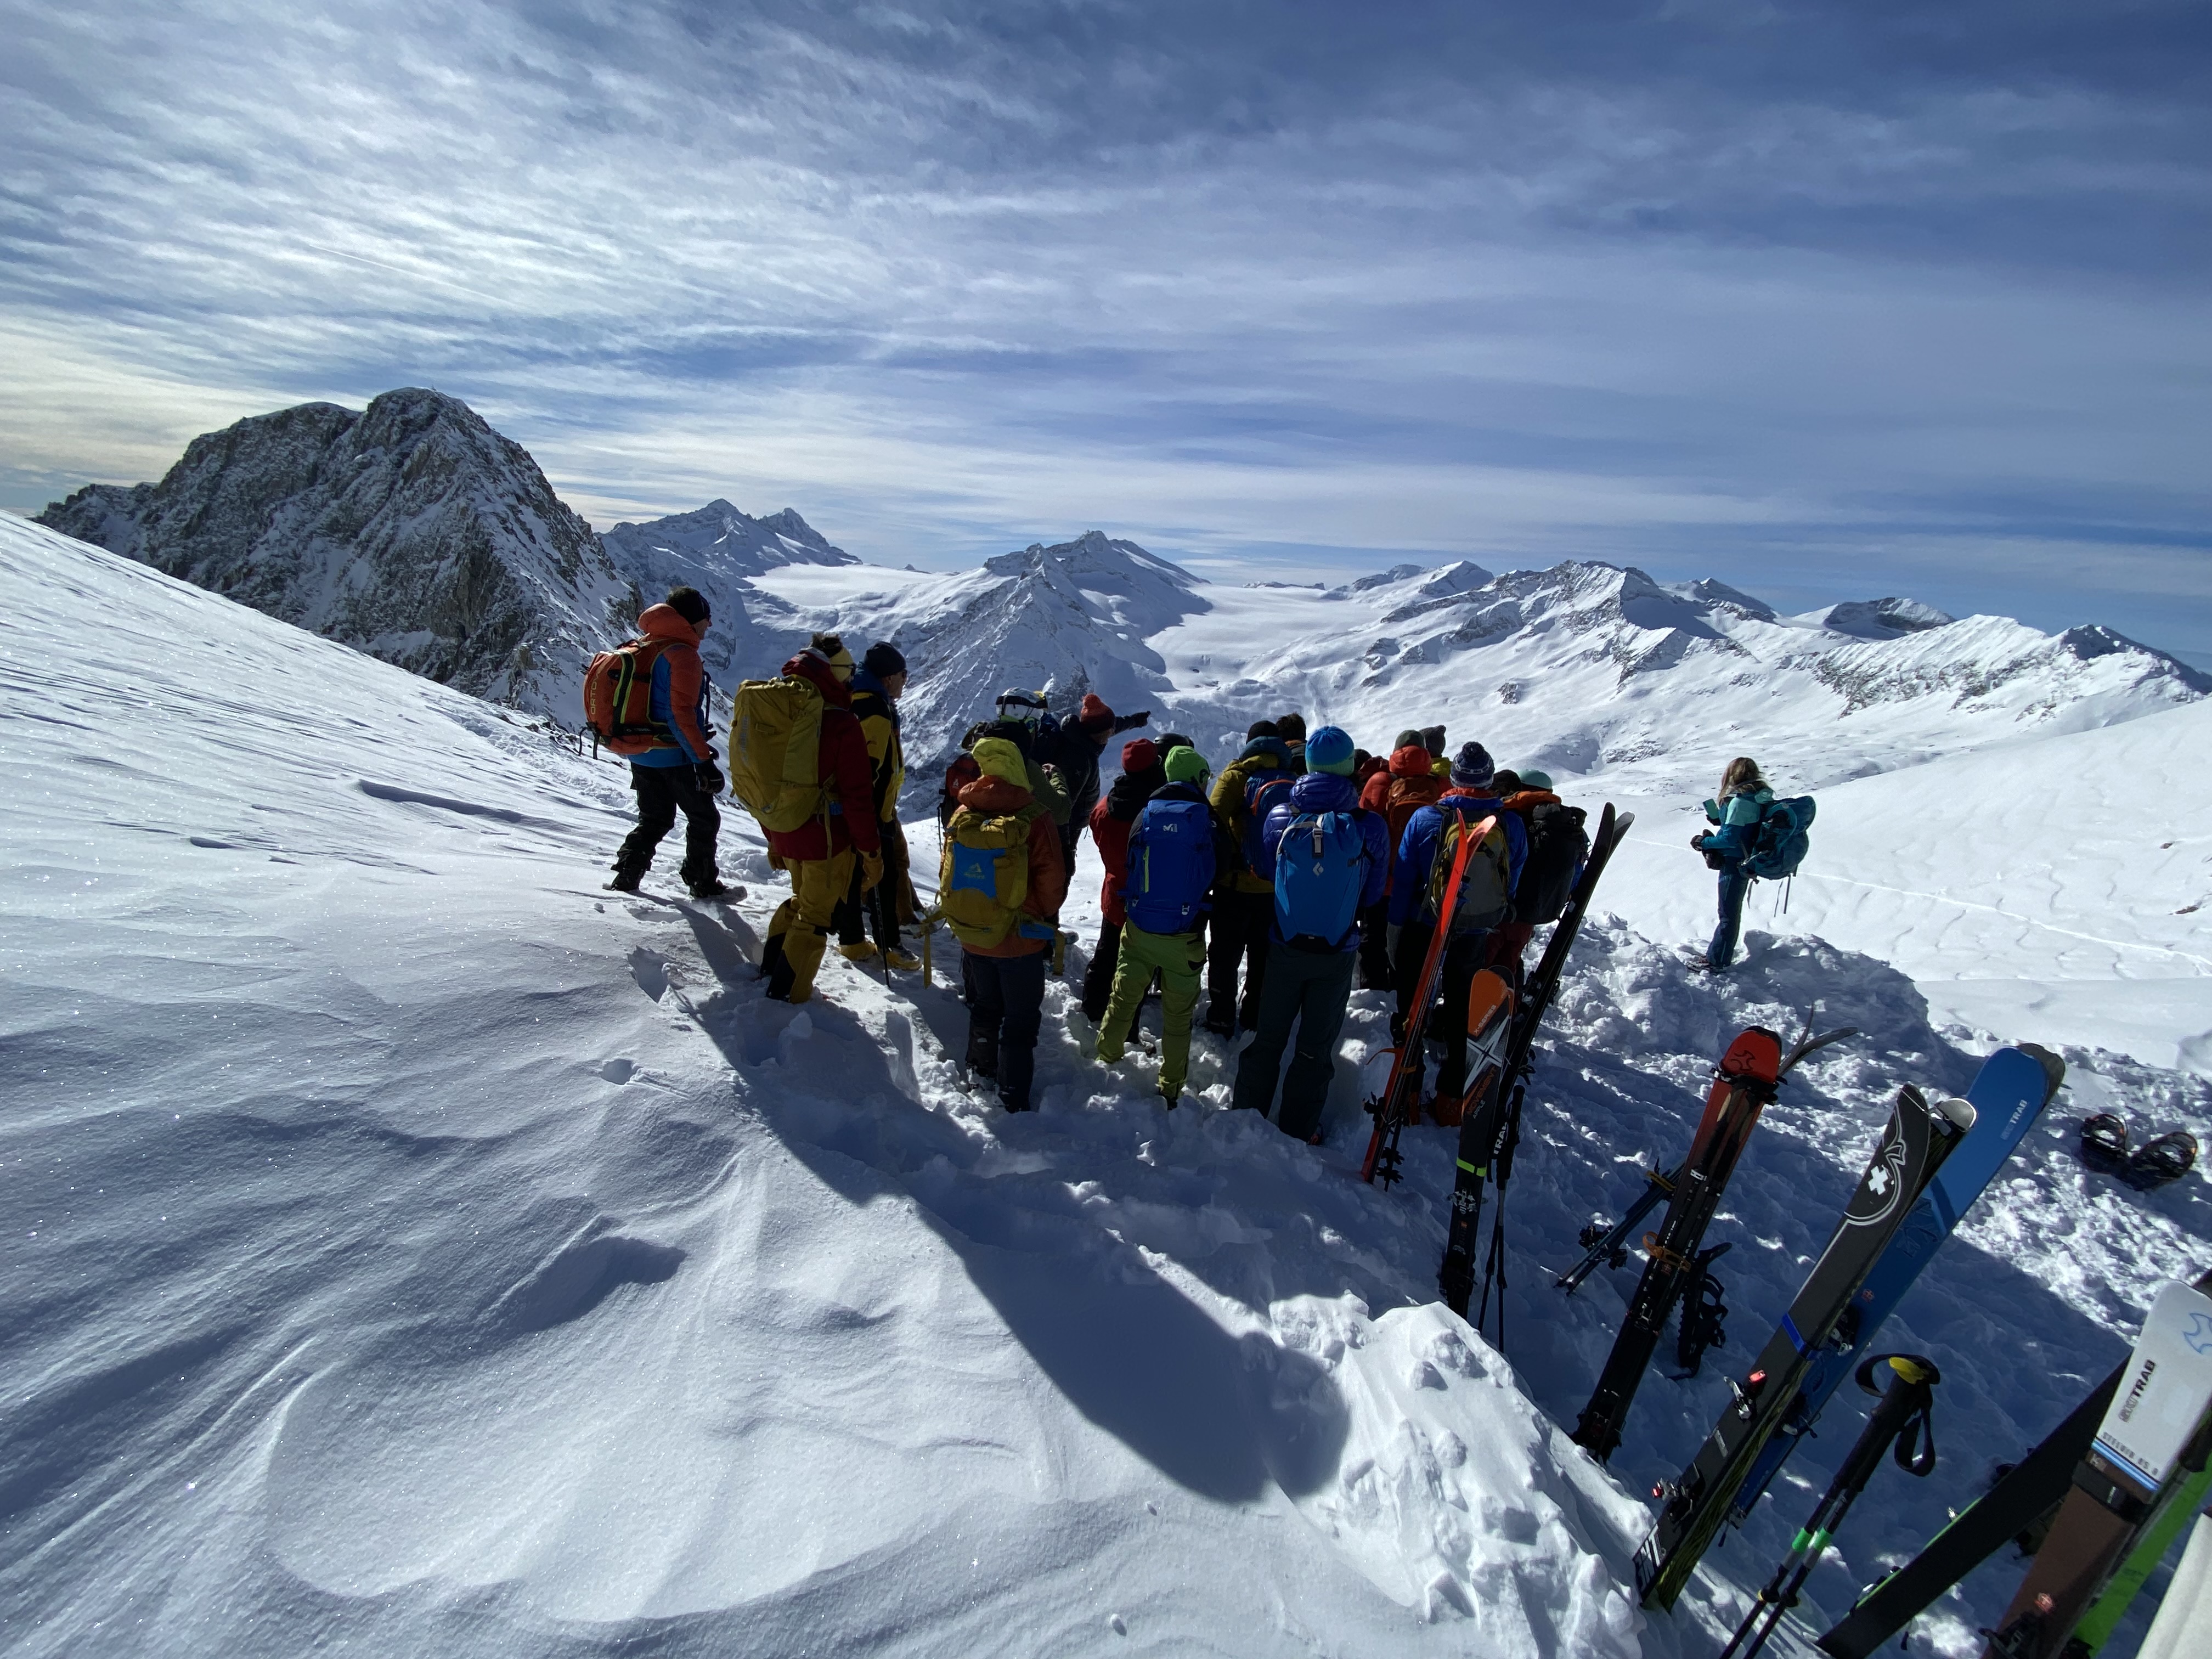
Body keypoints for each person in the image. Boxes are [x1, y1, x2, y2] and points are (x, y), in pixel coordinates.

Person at [1231, 727, 1389, 1140]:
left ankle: (1245, 1116)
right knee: (1315, 1047)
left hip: (1285, 944)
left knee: (1268, 1037)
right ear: (1350, 767)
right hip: (1337, 950)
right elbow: (1372, 895)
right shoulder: (1369, 826)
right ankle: (1299, 1129)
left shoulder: (1281, 815)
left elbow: (1267, 870)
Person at [1387, 741, 1527, 1108]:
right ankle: (1452, 1099)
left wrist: (1395, 927)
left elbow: (1404, 879)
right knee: (1463, 1008)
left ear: (1453, 778)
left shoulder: (1427, 818)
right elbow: (1510, 883)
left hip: (1426, 926)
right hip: (1476, 930)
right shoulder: (1510, 824)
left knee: (1413, 1007)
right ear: (1489, 779)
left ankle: (1409, 1090)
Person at [1096, 745, 1232, 1105]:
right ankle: (1170, 1087)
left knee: (1124, 996)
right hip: (1183, 933)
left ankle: (1104, 1058)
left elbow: (1131, 860)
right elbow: (1227, 865)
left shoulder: (1147, 813)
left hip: (1139, 926)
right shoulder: (1207, 818)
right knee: (1177, 1016)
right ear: (1198, 779)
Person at [941, 737, 1069, 1110]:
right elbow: (1052, 883)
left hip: (974, 933)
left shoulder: (963, 813)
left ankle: (980, 1072)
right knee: (1020, 1018)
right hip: (1019, 939)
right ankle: (1012, 1094)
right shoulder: (1035, 816)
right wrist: (1039, 916)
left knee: (985, 1006)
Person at [605, 587, 733, 899]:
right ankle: (701, 882)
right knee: (704, 818)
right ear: (691, 620)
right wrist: (703, 763)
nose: (709, 625)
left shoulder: (644, 645)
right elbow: (681, 717)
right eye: (706, 619)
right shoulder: (683, 656)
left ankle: (627, 876)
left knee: (655, 818)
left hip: (641, 753)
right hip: (673, 756)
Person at [830, 642, 918, 969]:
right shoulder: (877, 713)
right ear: (889, 678)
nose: (905, 682)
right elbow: (867, 773)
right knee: (883, 876)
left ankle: (852, 941)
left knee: (853, 876)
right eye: (903, 676)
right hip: (871, 811)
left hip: (848, 809)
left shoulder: (855, 699)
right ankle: (890, 946)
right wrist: (876, 817)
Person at [1204, 727, 1295, 1032]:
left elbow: (1212, 822)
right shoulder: (1293, 779)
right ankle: (1255, 1016)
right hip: (1274, 889)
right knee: (1264, 957)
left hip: (1234, 886)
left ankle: (1221, 1017)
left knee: (1224, 957)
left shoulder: (1235, 777)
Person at [1081, 737, 1165, 1029]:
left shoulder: (1105, 806)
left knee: (1105, 957)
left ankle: (1090, 1011)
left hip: (1115, 895)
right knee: (1137, 968)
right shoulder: (1160, 810)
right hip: (1150, 901)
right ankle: (1126, 1029)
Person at [1353, 730, 1446, 991]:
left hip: (1382, 879)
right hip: (1422, 884)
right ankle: (1406, 987)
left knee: (1373, 937)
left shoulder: (1381, 781)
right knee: (1413, 940)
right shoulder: (1440, 785)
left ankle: (1374, 990)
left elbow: (1362, 827)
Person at [1692, 757, 1772, 973]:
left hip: (1735, 862)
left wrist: (1703, 843)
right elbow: (1745, 827)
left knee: (1727, 914)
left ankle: (1717, 961)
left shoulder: (1739, 802)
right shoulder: (1758, 797)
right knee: (1730, 912)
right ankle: (1718, 954)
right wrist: (1721, 820)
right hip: (1747, 860)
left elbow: (1728, 839)